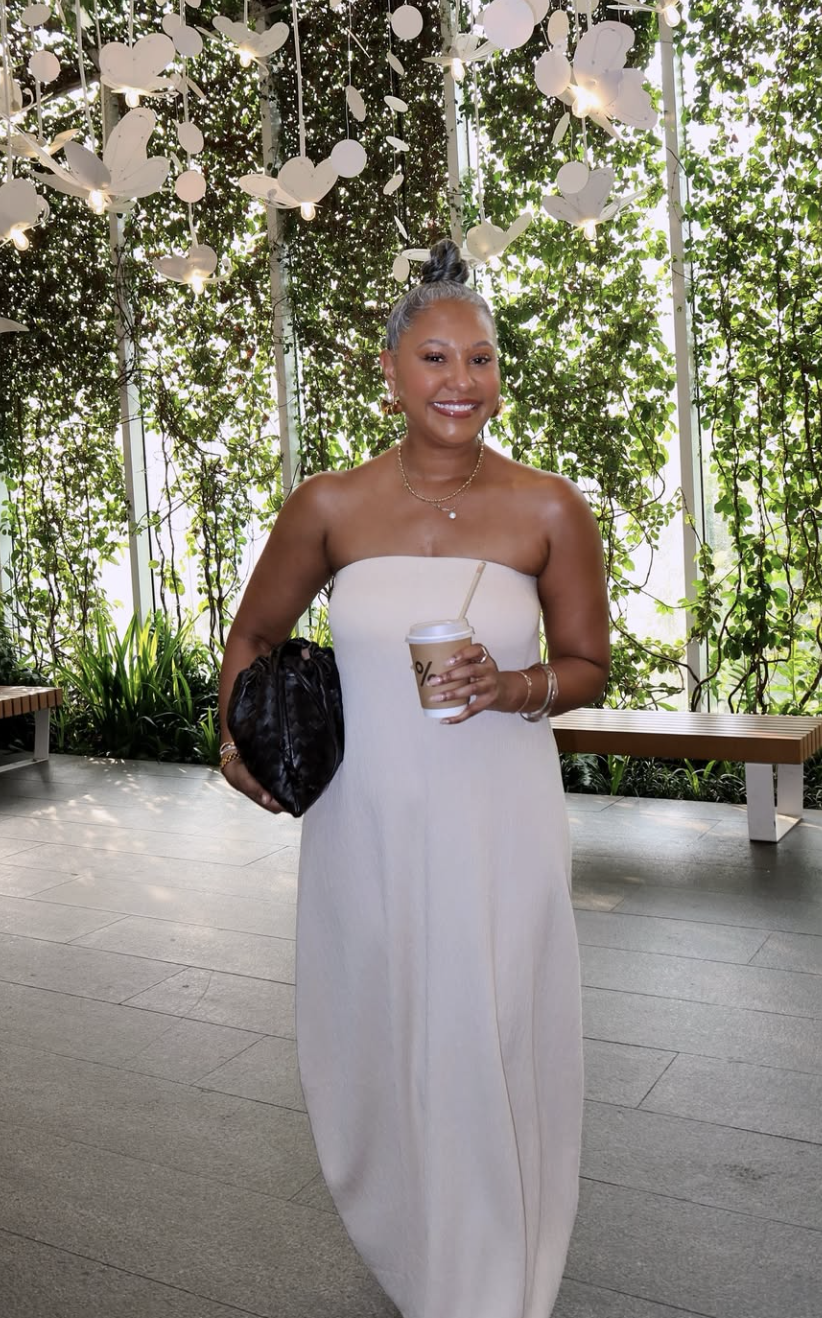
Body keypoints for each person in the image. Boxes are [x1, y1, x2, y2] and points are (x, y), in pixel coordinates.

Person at [219, 238, 610, 1318]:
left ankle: (493, 1269)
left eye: (480, 359)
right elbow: (255, 635)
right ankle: (415, 1235)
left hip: (501, 819)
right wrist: (239, 744)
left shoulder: (549, 508)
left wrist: (515, 683)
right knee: (387, 1027)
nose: (460, 381)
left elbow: (588, 664)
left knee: (496, 1024)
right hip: (368, 824)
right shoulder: (329, 506)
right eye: (435, 358)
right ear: (389, 371)